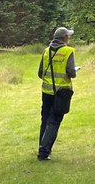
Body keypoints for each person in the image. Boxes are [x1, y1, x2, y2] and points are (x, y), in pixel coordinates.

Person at [37, 26, 78, 161]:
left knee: (45, 120)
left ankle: (42, 146)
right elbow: (71, 73)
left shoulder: (46, 51)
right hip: (61, 93)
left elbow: (40, 73)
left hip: (46, 91)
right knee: (54, 121)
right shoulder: (68, 51)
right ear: (64, 38)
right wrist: (74, 71)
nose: (69, 38)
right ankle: (44, 152)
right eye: (68, 36)